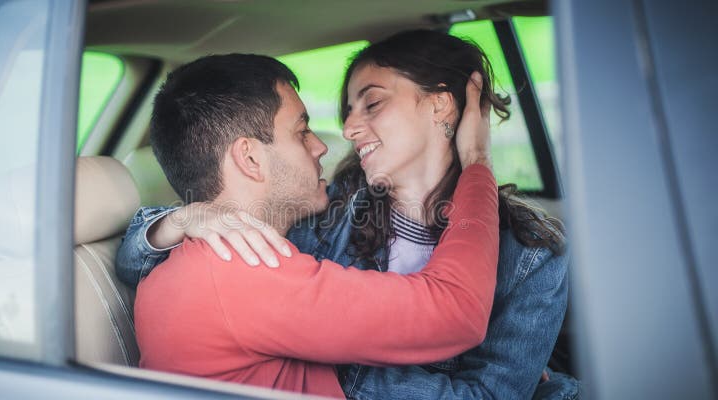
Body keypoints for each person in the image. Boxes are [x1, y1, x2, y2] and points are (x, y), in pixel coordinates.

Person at [119, 30, 579, 399]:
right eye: (304, 131)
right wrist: (174, 221)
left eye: (372, 103)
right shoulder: (323, 215)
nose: (340, 132)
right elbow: (453, 314)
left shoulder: (532, 252)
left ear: (440, 103)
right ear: (251, 158)